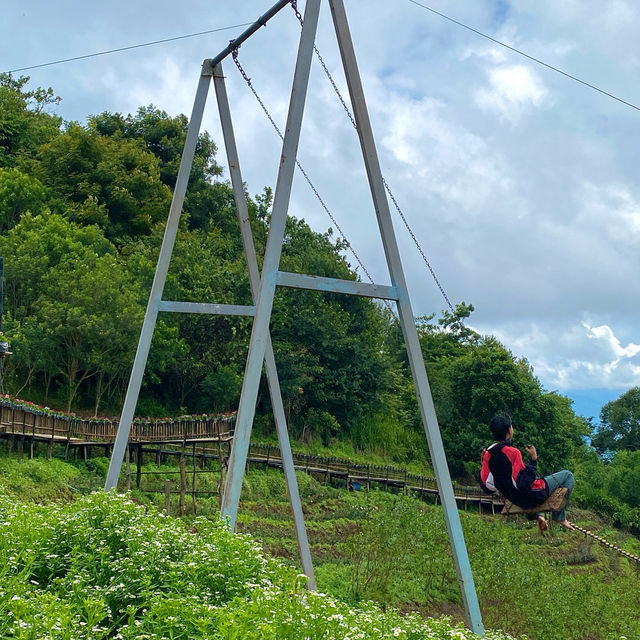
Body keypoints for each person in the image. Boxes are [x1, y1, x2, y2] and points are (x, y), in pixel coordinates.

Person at [479, 413, 574, 531]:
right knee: (568, 475)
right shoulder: (513, 452)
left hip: (517, 501)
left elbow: (488, 488)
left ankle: (539, 516)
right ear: (509, 430)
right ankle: (559, 517)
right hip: (533, 497)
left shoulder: (487, 455)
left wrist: (482, 463)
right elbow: (524, 484)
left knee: (532, 479)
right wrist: (533, 460)